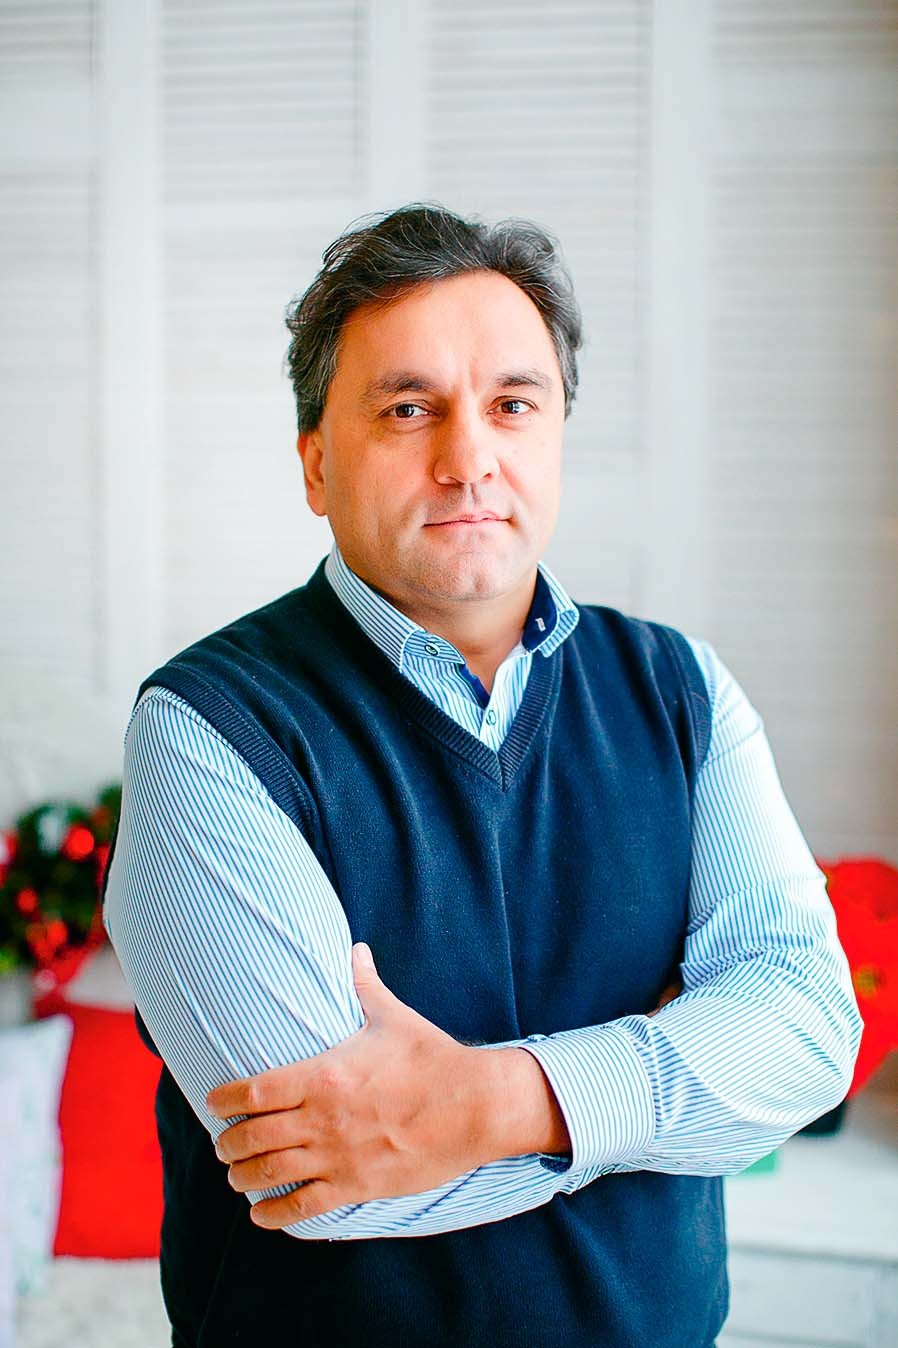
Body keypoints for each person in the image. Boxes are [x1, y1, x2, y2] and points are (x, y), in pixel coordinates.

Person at [102, 202, 862, 1348]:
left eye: (513, 404)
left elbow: (806, 1037)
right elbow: (329, 1175)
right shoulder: (206, 727)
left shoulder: (681, 690)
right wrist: (678, 1077)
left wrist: (499, 1103)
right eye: (407, 409)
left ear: (556, 435)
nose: (469, 460)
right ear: (316, 462)